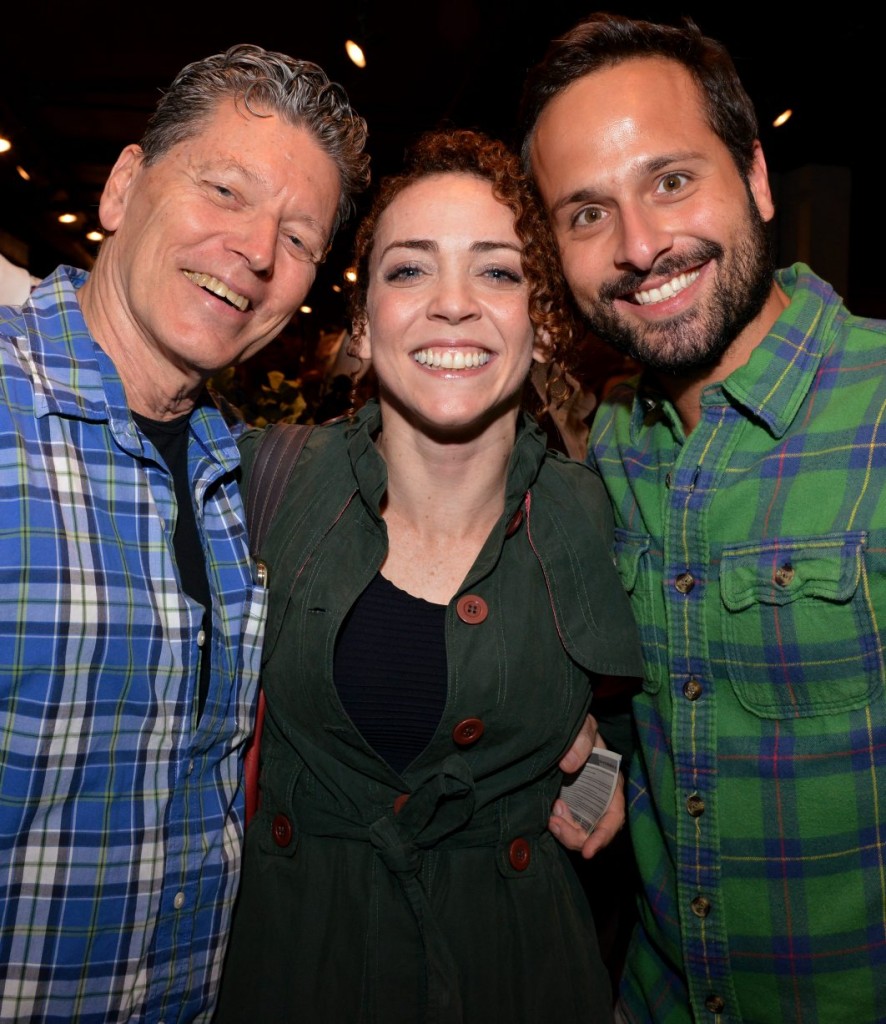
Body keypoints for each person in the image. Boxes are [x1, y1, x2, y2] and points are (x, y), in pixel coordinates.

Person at [214, 128, 643, 1024]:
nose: (453, 304)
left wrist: (604, 770)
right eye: (410, 270)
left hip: (522, 975)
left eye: (496, 271)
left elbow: (666, 712)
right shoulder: (258, 480)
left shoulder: (603, 515)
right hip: (293, 971)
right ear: (364, 325)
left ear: (542, 322)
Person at [521, 12, 886, 1024]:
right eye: (587, 213)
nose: (641, 245)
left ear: (756, 179)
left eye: (671, 181)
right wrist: (597, 766)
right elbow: (658, 699)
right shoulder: (616, 452)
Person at [0, 44, 369, 1023]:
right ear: (124, 186)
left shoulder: (230, 471)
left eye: (299, 237)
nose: (256, 251)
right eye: (224, 191)